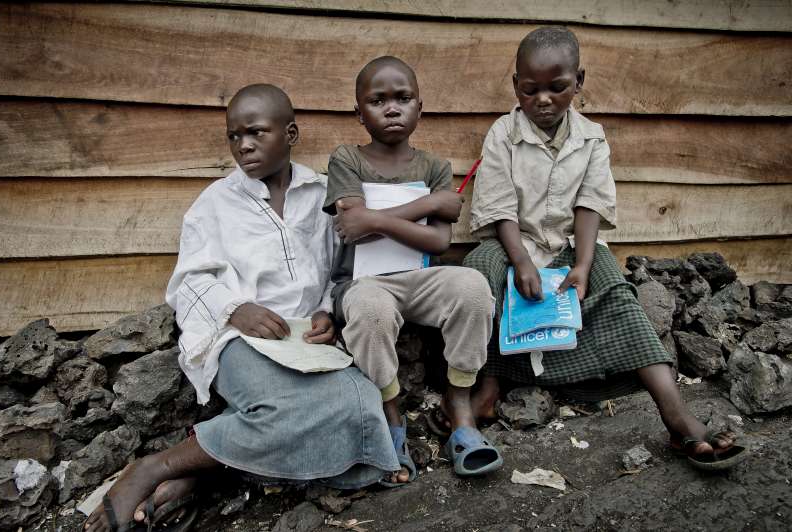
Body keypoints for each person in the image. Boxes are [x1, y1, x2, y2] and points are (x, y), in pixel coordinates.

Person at [83, 84, 399, 532]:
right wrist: (236, 309)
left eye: (256, 132)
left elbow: (339, 270)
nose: (243, 145)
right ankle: (155, 467)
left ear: (290, 133)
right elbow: (190, 280)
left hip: (304, 339)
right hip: (240, 338)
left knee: (361, 403)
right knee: (285, 412)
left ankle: (205, 466)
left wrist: (328, 310)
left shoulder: (322, 193)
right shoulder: (216, 202)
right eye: (234, 136)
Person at [458, 27, 747, 470]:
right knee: (481, 275)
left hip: (573, 245)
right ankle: (488, 389)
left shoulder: (591, 137)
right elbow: (498, 208)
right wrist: (519, 262)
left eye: (557, 88)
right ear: (516, 84)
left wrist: (586, 265)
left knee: (615, 291)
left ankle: (678, 418)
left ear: (579, 81)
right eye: (530, 89)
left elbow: (590, 203)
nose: (543, 100)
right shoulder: (503, 133)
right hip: (514, 241)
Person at [323, 56, 503, 480]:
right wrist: (428, 204)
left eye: (403, 98)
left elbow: (439, 242)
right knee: (370, 310)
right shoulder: (347, 158)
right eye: (377, 100)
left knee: (473, 287)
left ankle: (460, 407)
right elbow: (353, 228)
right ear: (359, 112)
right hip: (361, 283)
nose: (391, 108)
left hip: (420, 280)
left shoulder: (434, 167)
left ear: (420, 106)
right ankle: (390, 414)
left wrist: (376, 218)